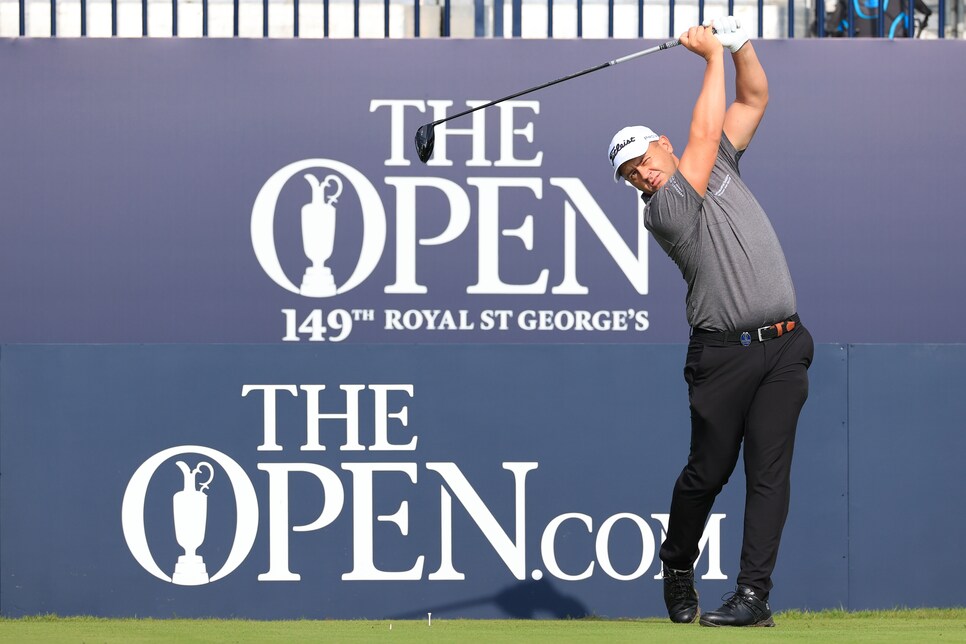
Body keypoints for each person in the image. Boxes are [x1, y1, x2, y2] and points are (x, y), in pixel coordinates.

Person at [606, 18, 814, 627]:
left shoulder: (716, 158)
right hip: (721, 357)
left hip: (783, 346)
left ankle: (753, 597)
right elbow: (703, 136)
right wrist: (709, 58)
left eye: (643, 160)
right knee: (709, 471)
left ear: (661, 144)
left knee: (769, 475)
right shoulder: (664, 209)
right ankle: (677, 562)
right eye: (630, 176)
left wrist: (741, 44)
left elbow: (754, 98)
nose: (642, 175)